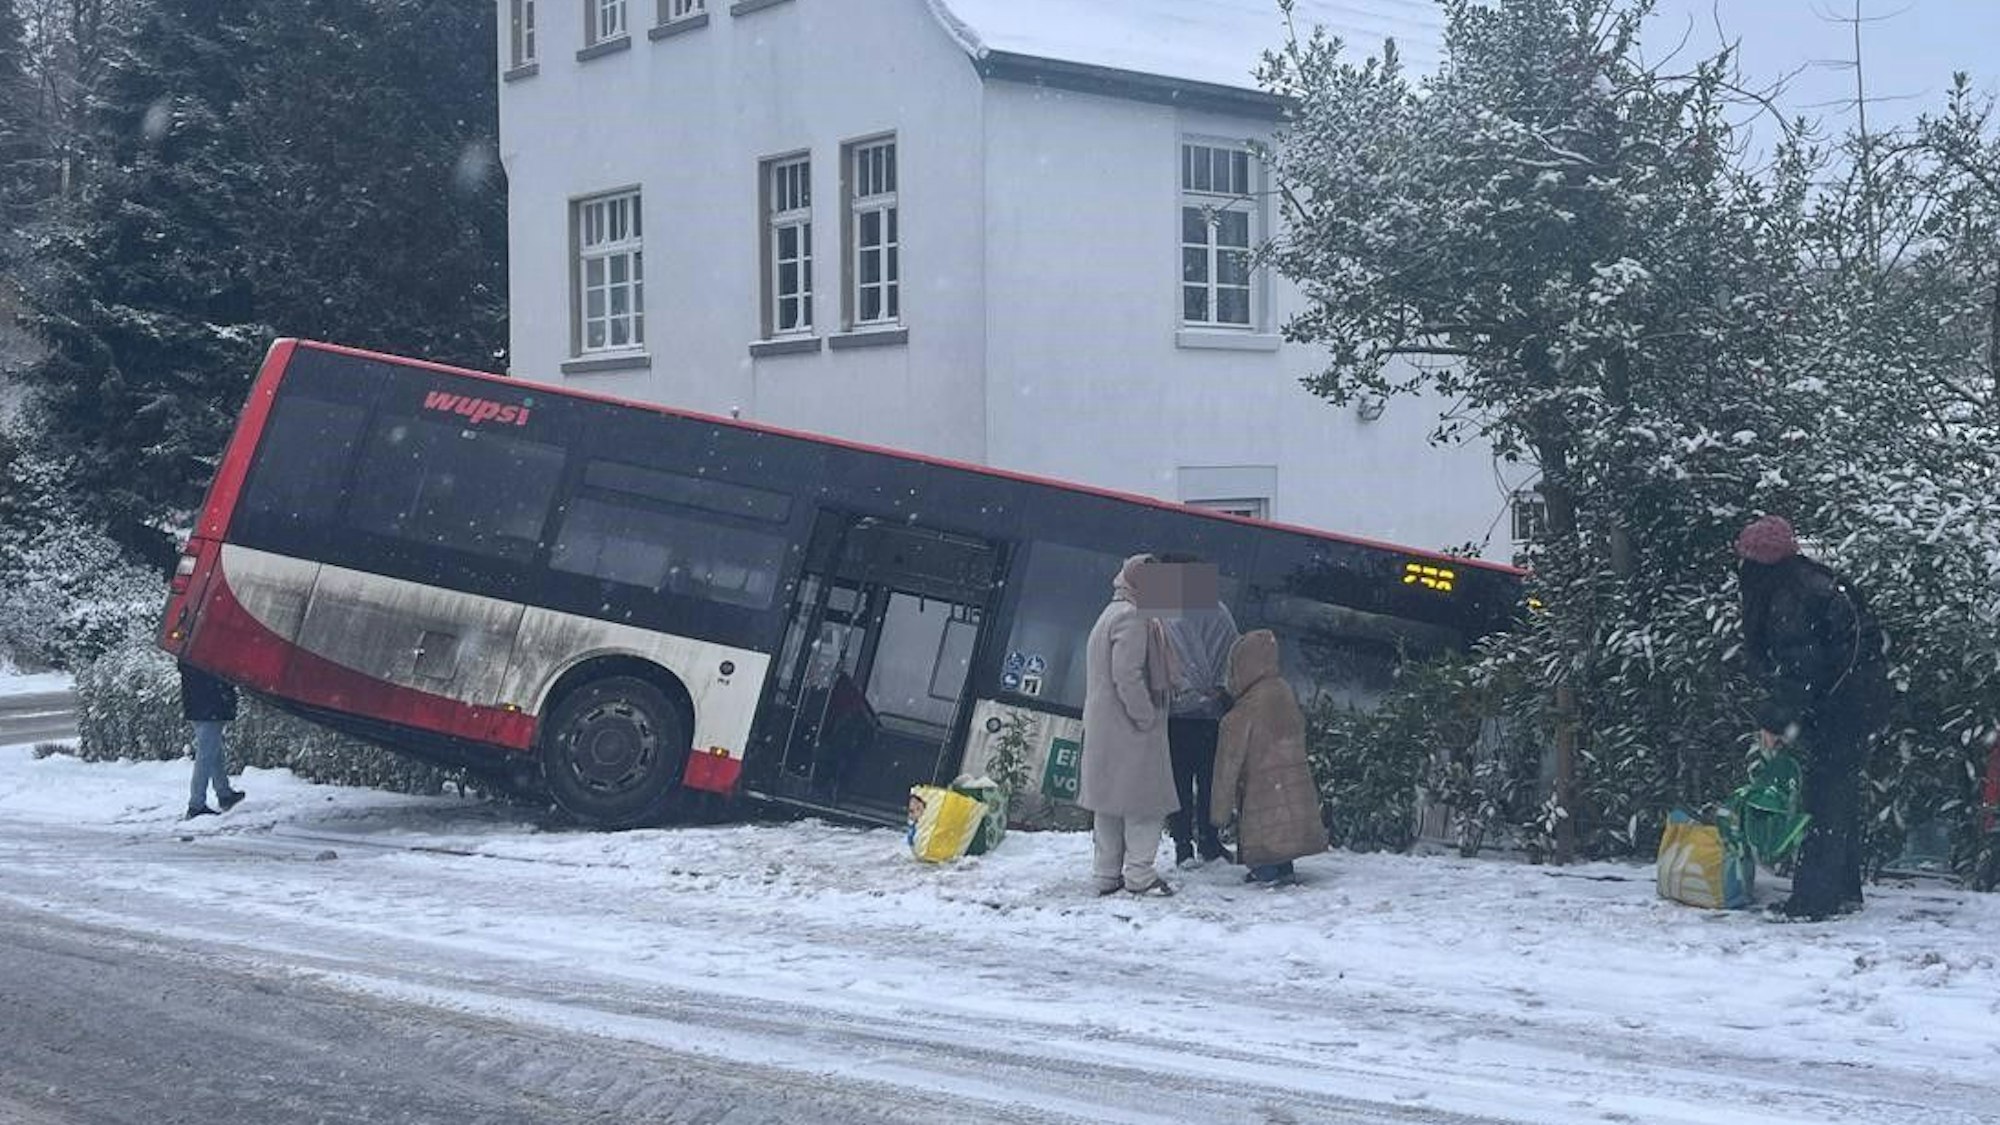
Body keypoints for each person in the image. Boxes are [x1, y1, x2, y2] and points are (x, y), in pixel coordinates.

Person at [1735, 515, 1890, 920]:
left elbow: (1799, 669)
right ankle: (1842, 891)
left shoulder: (1789, 596)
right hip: (1857, 699)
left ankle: (1814, 901)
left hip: (1842, 705)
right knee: (1836, 796)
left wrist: (1775, 721)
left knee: (1824, 800)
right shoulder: (1811, 582)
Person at [1079, 554, 1179, 896]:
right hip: (1130, 728)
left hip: (1108, 726)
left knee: (1110, 804)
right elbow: (1128, 674)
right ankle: (1140, 875)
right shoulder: (1134, 617)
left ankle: (1106, 875)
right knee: (1145, 805)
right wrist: (1146, 716)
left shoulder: (1111, 612)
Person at [1210, 630, 1328, 886]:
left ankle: (1265, 872)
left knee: (1265, 831)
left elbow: (1227, 765)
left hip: (1260, 790)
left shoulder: (1245, 709)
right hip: (1291, 782)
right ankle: (1285, 866)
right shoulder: (1283, 691)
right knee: (1287, 823)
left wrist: (1218, 814)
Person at [1153, 552, 1240, 866]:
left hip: (1175, 714)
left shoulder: (1163, 612)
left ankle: (1183, 846)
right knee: (1208, 782)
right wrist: (1217, 691)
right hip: (1210, 715)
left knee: (1177, 781)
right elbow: (1233, 653)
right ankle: (1208, 839)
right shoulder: (1218, 611)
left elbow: (1154, 656)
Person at [179, 661, 246, 820]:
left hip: (197, 706)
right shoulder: (207, 656)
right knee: (206, 755)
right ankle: (196, 804)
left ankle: (224, 793)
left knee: (213, 752)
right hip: (211, 706)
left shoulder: (189, 654)